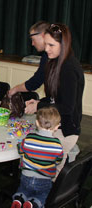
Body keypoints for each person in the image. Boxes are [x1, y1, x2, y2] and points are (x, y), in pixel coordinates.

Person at [24, 23, 85, 179]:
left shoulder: (68, 68)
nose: (46, 49)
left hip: (66, 129)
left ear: (63, 45)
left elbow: (66, 108)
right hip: (56, 123)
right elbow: (54, 98)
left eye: (51, 45)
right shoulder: (55, 61)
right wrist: (37, 102)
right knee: (44, 170)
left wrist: (39, 105)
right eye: (45, 44)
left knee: (51, 175)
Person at [11, 106, 63, 208]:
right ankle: (34, 203)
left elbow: (21, 150)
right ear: (57, 127)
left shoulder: (29, 137)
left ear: (37, 123)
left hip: (26, 176)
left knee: (23, 189)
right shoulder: (57, 144)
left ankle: (19, 199)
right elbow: (58, 160)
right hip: (44, 179)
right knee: (43, 194)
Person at [8, 21, 50, 96]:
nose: (32, 43)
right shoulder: (46, 56)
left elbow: (35, 82)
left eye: (33, 39)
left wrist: (15, 89)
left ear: (43, 36)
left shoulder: (50, 56)